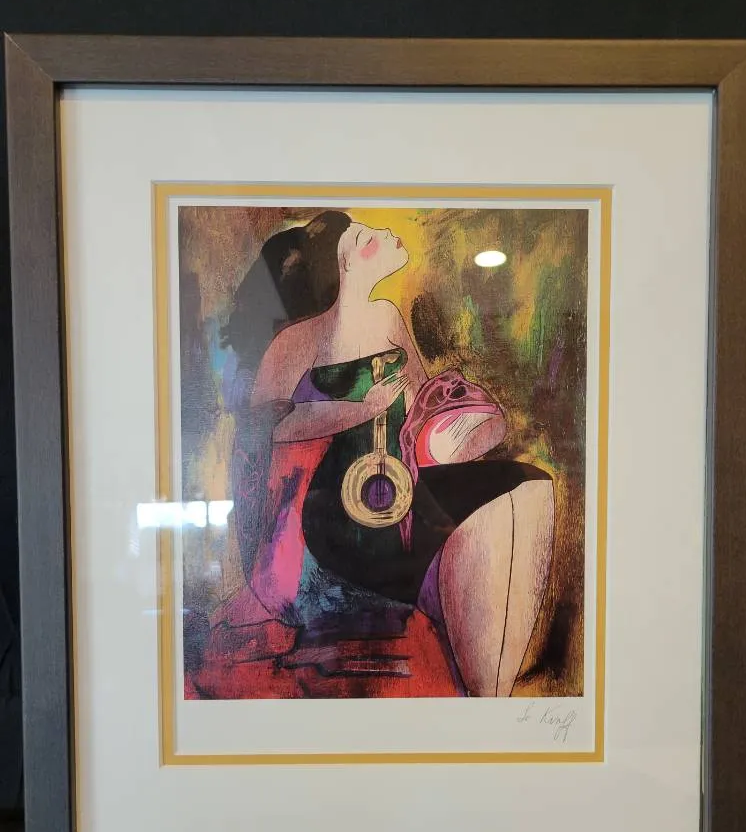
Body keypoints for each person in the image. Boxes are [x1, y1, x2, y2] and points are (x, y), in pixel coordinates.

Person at [202, 211, 554, 699]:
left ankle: (490, 700)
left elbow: (418, 421)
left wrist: (459, 419)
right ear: (343, 259)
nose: (387, 234)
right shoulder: (295, 341)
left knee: (525, 485)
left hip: (400, 500)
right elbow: (266, 429)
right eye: (367, 234)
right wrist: (357, 409)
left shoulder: (388, 316)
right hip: (324, 525)